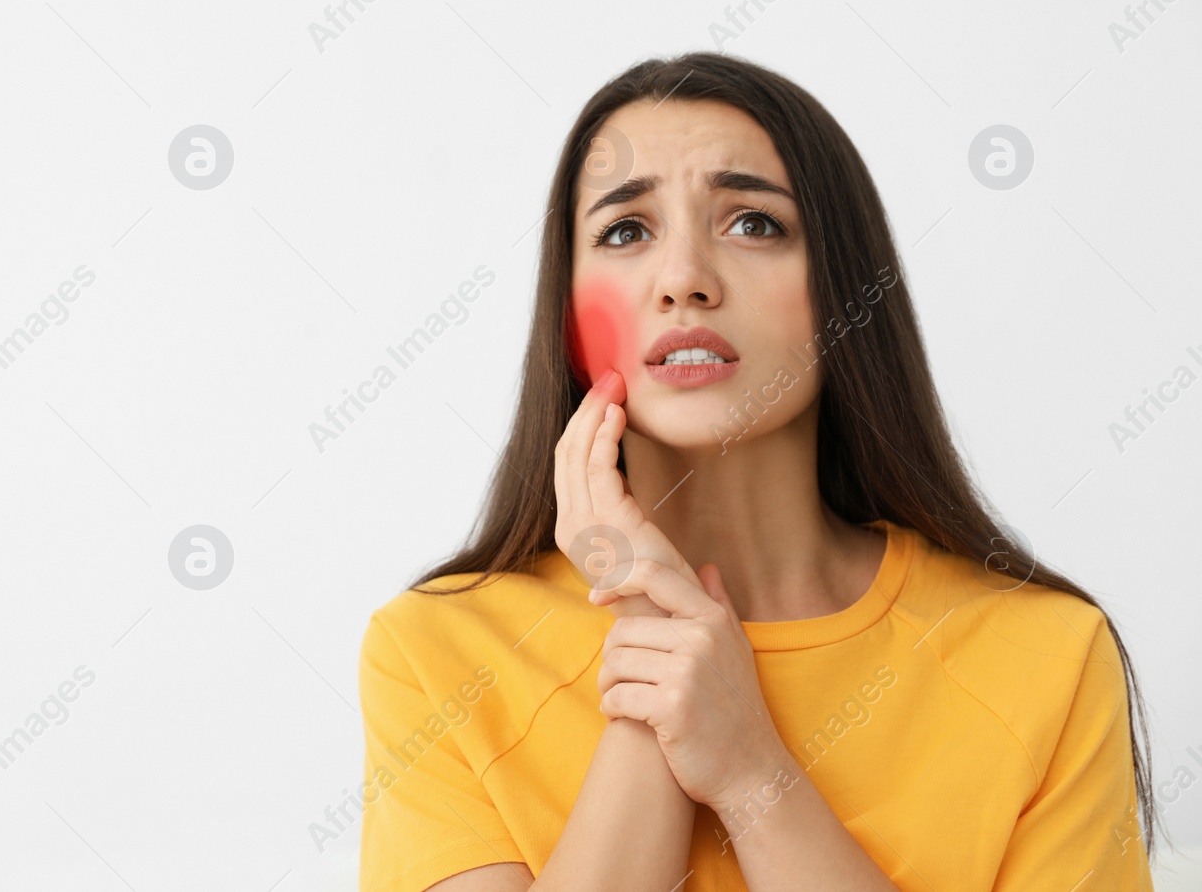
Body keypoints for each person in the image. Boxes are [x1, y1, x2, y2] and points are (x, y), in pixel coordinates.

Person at [355, 53, 1165, 890]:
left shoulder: (1047, 656)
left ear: (844, 289)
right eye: (626, 231)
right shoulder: (435, 654)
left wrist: (751, 771)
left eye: (752, 223)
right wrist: (654, 649)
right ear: (570, 315)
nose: (683, 281)